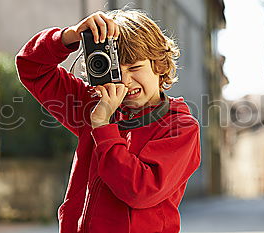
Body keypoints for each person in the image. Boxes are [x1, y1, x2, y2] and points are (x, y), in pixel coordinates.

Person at [15, 9, 201, 233]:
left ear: (159, 65)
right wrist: (70, 36)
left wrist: (103, 127)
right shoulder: (92, 104)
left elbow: (140, 191)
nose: (124, 81)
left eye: (134, 67)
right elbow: (30, 66)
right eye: (113, 70)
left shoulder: (180, 127)